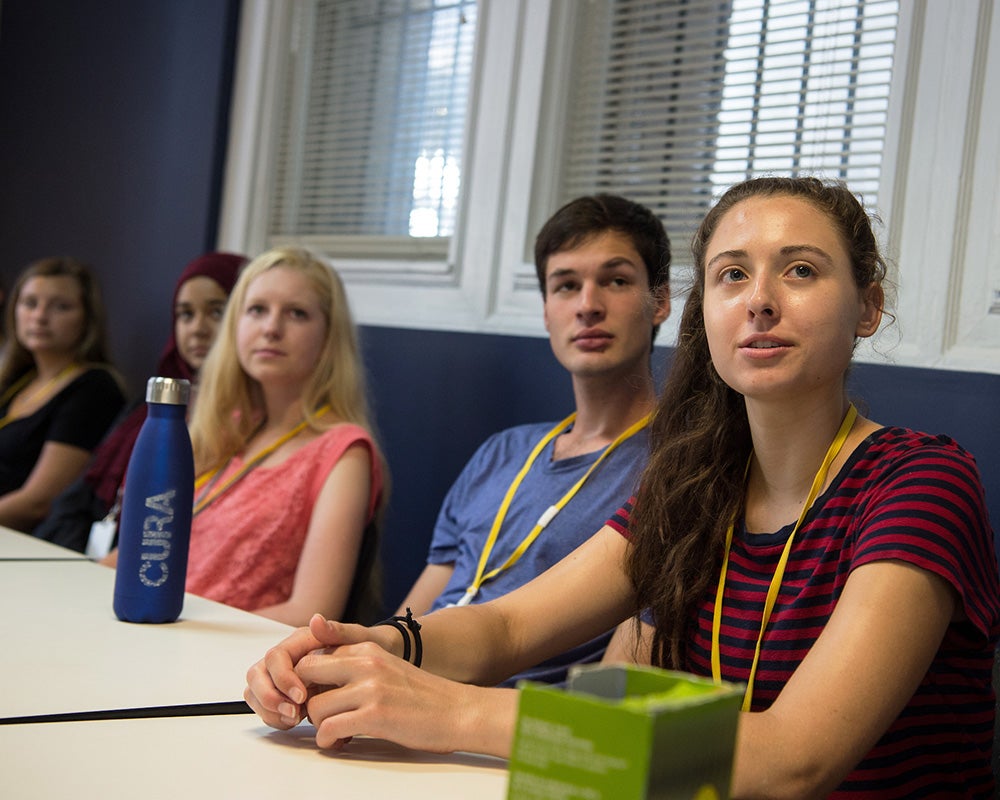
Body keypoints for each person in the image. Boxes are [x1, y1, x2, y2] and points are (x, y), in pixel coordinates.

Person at [245, 177, 1000, 798]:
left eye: (800, 269)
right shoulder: (694, 485)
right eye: (732, 274)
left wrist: (456, 714)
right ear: (705, 310)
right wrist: (372, 645)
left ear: (867, 307)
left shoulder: (919, 481)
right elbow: (506, 629)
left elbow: (791, 759)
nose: (760, 299)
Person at [394, 193, 671, 684]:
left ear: (660, 301)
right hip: (403, 690)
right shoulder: (501, 453)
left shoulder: (676, 468)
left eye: (616, 281)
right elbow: (411, 614)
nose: (588, 305)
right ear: (546, 310)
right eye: (566, 285)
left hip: (504, 734)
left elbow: (613, 688)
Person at [183, 246, 386, 628]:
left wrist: (182, 628)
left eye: (297, 313)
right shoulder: (223, 429)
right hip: (156, 636)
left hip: (234, 663)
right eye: (257, 309)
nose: (271, 328)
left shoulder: (343, 452)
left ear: (328, 338)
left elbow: (310, 613)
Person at [32, 251, 247, 554]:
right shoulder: (148, 407)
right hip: (91, 560)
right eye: (185, 314)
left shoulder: (247, 416)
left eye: (216, 312)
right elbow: (80, 496)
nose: (197, 328)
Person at [0, 256, 126, 533]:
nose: (40, 316)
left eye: (61, 307)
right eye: (30, 303)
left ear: (87, 319)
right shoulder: (17, 381)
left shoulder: (95, 388)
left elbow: (37, 502)